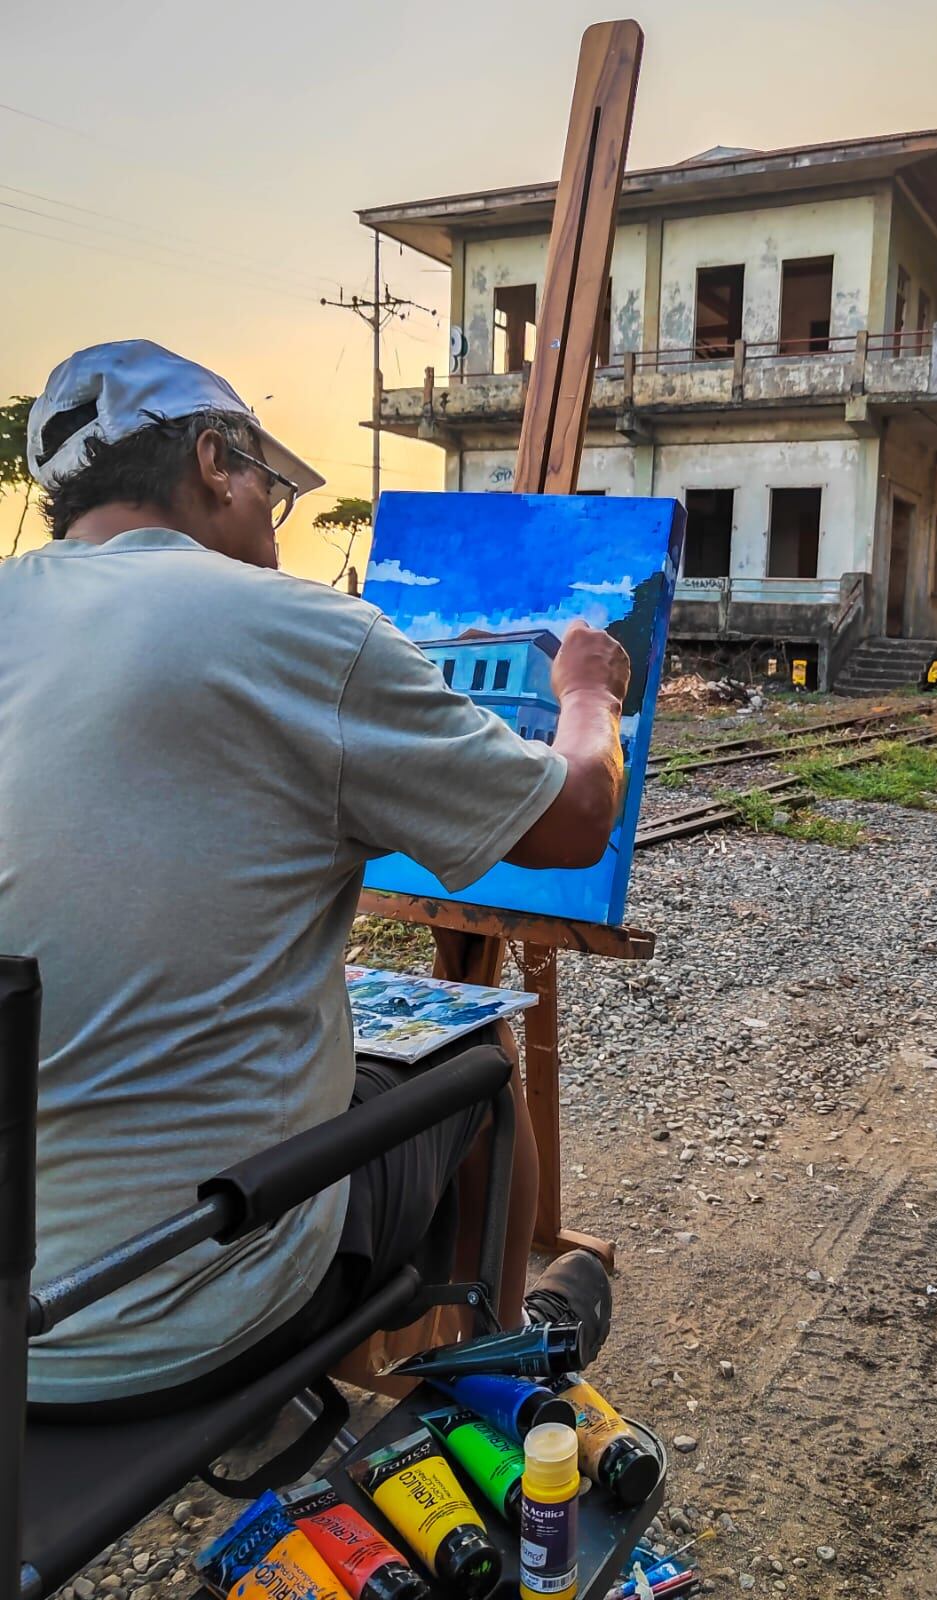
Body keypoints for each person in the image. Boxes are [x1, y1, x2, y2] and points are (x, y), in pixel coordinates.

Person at [1, 340, 629, 1414]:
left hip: (18, 1299)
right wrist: (587, 696)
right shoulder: (291, 625)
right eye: (271, 489)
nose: (277, 526)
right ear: (214, 461)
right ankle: (497, 1372)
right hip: (171, 1316)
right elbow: (573, 820)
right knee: (476, 1060)